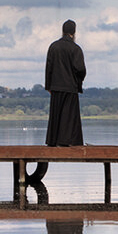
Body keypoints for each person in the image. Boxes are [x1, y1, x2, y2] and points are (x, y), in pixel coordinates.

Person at [44, 19, 87, 147]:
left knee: (56, 115)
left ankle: (53, 141)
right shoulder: (75, 48)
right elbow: (80, 69)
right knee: (69, 117)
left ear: (63, 31)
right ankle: (69, 141)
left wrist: (48, 86)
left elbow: (49, 68)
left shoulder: (53, 46)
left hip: (56, 86)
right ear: (73, 33)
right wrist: (78, 82)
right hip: (70, 87)